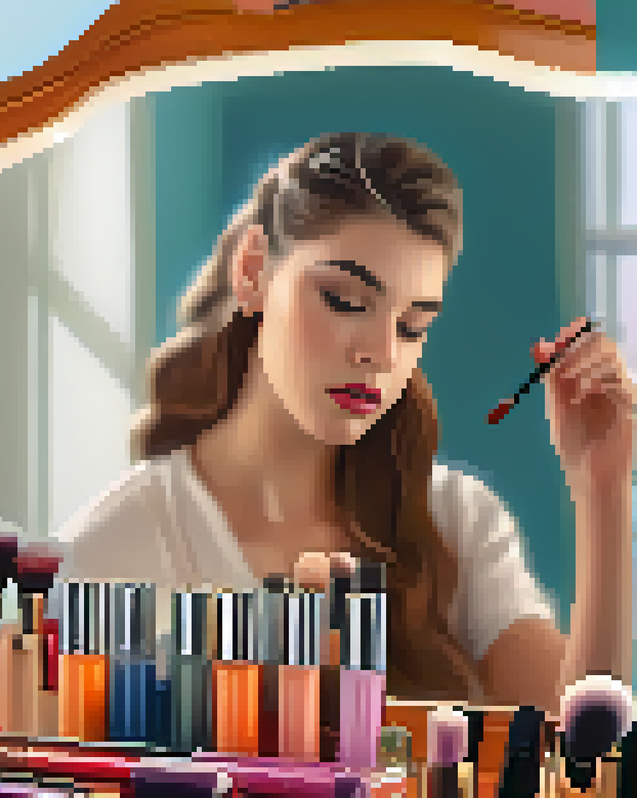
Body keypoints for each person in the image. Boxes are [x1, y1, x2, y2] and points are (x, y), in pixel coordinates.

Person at [57, 132, 633, 711]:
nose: (383, 353)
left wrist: (603, 489)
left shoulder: (459, 521)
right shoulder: (117, 545)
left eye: (413, 326)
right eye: (346, 300)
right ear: (254, 271)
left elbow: (579, 736)